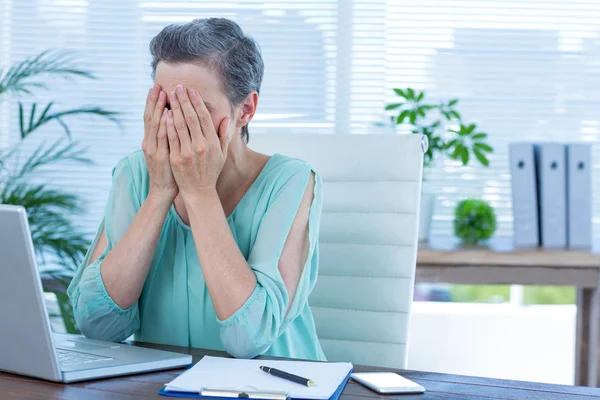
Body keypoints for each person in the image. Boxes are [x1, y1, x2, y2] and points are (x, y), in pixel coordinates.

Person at [67, 17, 325, 361]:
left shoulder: (291, 181)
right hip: (159, 387)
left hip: (276, 387)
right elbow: (97, 327)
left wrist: (199, 191)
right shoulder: (135, 173)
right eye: (166, 108)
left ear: (245, 109)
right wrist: (160, 192)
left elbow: (249, 338)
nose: (176, 125)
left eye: (195, 111)